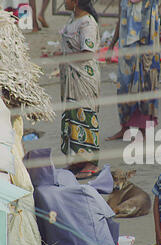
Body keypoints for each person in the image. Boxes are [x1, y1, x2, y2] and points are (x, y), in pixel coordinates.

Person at [59, 0, 102, 179]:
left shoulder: (88, 23)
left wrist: (67, 58)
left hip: (83, 76)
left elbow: (88, 52)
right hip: (71, 76)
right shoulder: (73, 19)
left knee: (85, 116)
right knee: (73, 116)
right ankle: (78, 159)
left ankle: (90, 163)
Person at [106, 0, 160, 140]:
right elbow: (120, 20)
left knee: (145, 90)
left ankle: (144, 131)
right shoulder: (123, 1)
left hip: (145, 53)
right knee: (124, 88)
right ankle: (125, 128)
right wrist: (112, 45)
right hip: (126, 53)